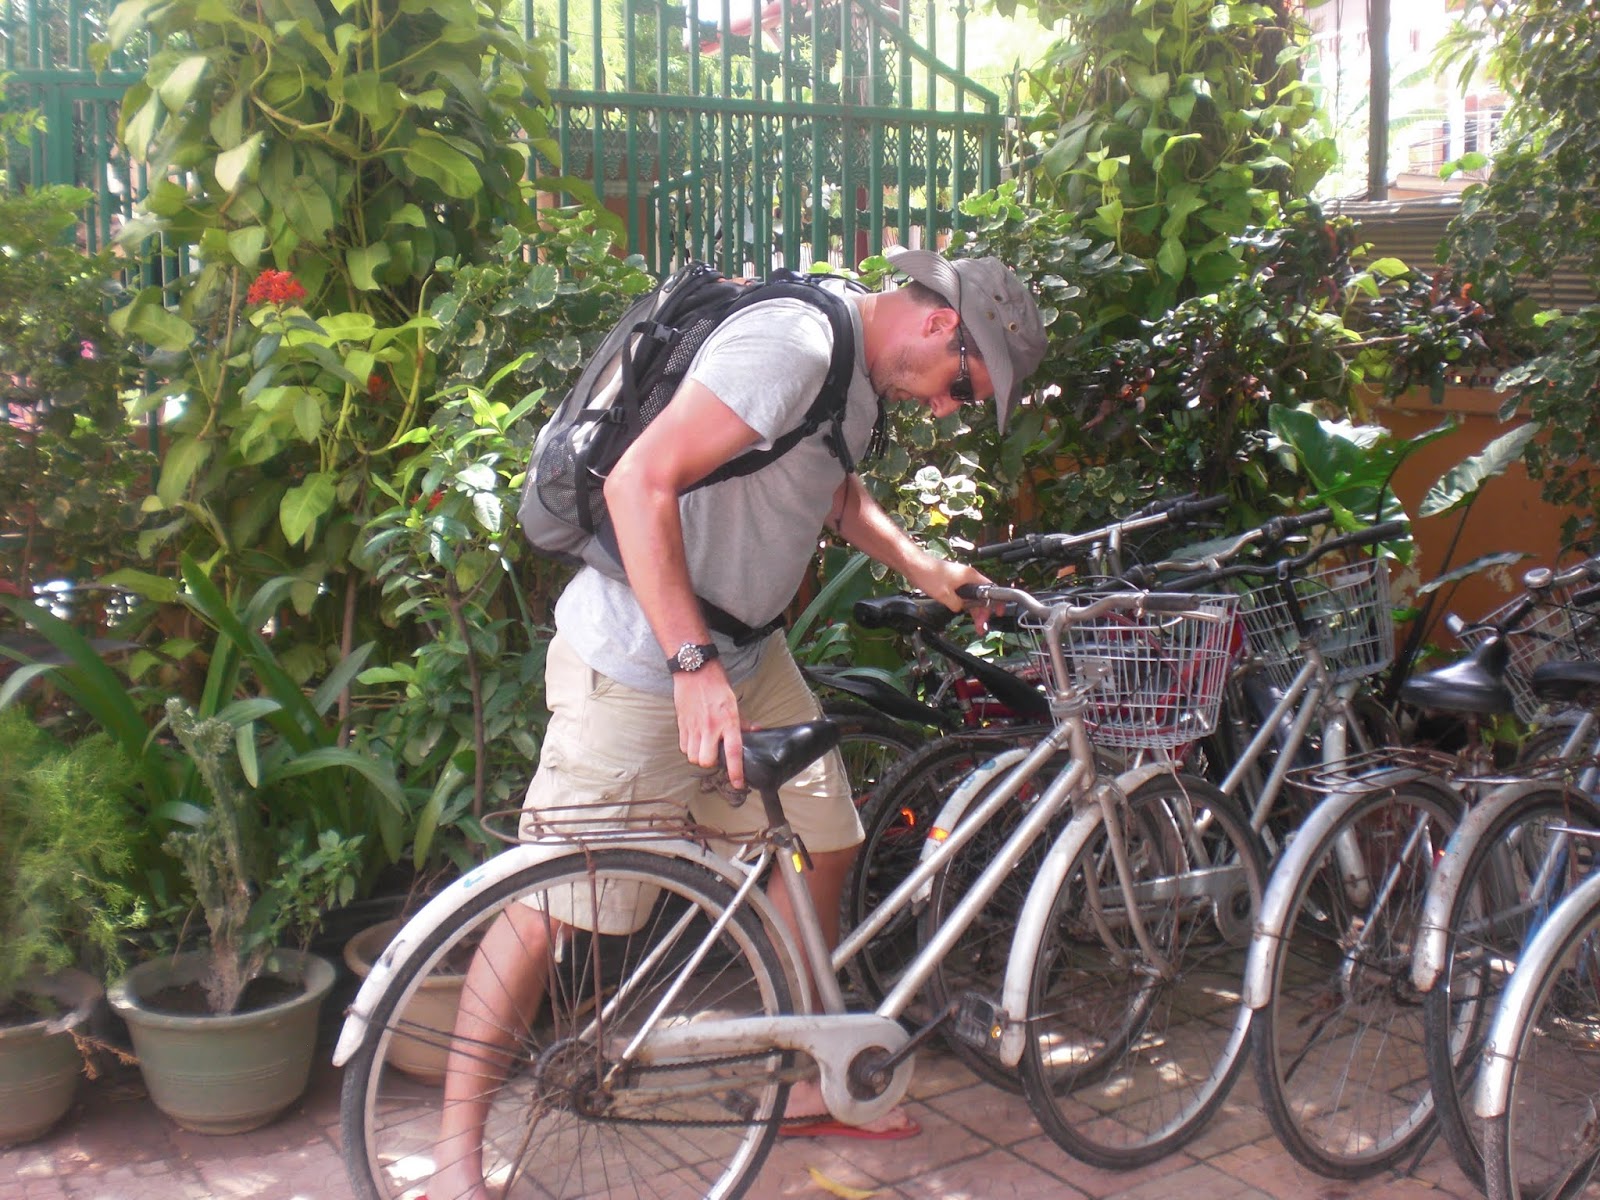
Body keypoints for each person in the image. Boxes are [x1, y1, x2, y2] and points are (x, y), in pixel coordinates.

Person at [429, 246, 1047, 1199]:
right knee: (555, 903)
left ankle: (801, 1079)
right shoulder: (795, 344)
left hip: (749, 656)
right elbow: (639, 482)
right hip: (642, 660)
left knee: (823, 841)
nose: (947, 408)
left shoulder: (854, 371)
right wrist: (692, 666)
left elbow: (826, 487)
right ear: (939, 324)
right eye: (963, 386)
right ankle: (453, 1165)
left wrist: (928, 570)